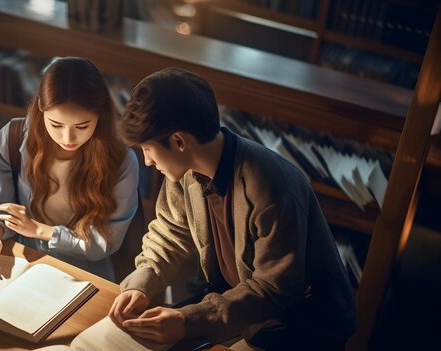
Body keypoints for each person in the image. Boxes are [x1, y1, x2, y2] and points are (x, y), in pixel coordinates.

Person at [108, 67, 357, 350]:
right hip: (234, 299)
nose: (148, 162)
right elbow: (169, 233)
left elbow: (273, 290)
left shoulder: (271, 188)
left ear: (179, 141)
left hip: (296, 323)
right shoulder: (184, 171)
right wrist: (143, 282)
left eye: (148, 150)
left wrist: (188, 321)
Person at [0, 57, 139, 282]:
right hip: (25, 262)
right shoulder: (11, 138)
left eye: (82, 126)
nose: (68, 138)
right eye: (56, 125)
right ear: (41, 108)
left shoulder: (121, 161)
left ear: (100, 116)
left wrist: (40, 230)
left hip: (87, 273)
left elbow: (104, 241)